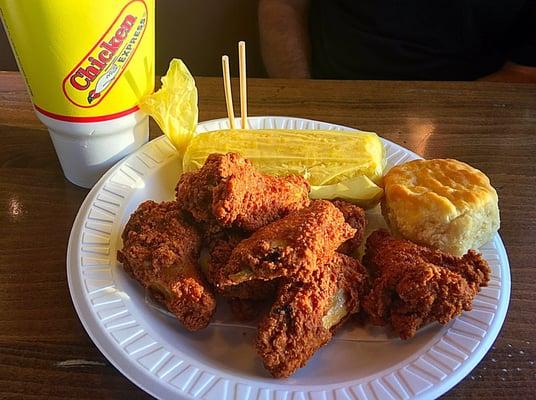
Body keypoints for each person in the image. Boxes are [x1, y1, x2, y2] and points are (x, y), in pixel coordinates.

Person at [258, 0, 536, 82]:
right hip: (332, 91)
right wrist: (302, 93)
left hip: (469, 110)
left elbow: (524, 72)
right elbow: (283, 5)